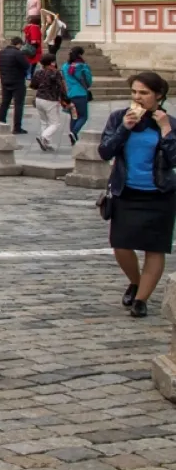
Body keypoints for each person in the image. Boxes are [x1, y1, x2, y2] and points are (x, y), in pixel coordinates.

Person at [98, 72, 176, 319]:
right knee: (121, 245)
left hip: (160, 194)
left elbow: (174, 158)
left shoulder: (169, 122)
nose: (137, 98)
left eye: (143, 93)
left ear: (159, 96)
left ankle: (141, 299)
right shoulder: (119, 118)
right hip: (126, 191)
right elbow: (105, 150)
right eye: (134, 92)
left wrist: (166, 131)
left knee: (154, 249)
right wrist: (124, 129)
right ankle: (136, 281)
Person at [30, 57, 68, 153]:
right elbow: (61, 87)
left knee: (44, 121)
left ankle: (46, 143)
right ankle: (44, 136)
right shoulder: (55, 73)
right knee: (55, 123)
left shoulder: (38, 72)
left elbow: (33, 85)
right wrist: (65, 99)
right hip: (50, 99)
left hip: (39, 98)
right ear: (52, 63)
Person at [0, 36, 32, 133]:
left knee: (4, 103)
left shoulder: (1, 52)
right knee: (18, 105)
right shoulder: (18, 53)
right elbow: (26, 65)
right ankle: (17, 127)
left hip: (5, 81)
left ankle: (0, 123)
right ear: (19, 44)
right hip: (17, 82)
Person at [63, 47, 94, 143]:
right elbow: (88, 80)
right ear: (80, 55)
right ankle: (74, 132)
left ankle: (73, 137)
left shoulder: (65, 66)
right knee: (83, 116)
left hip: (70, 94)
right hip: (80, 93)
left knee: (74, 116)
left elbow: (64, 78)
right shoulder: (82, 66)